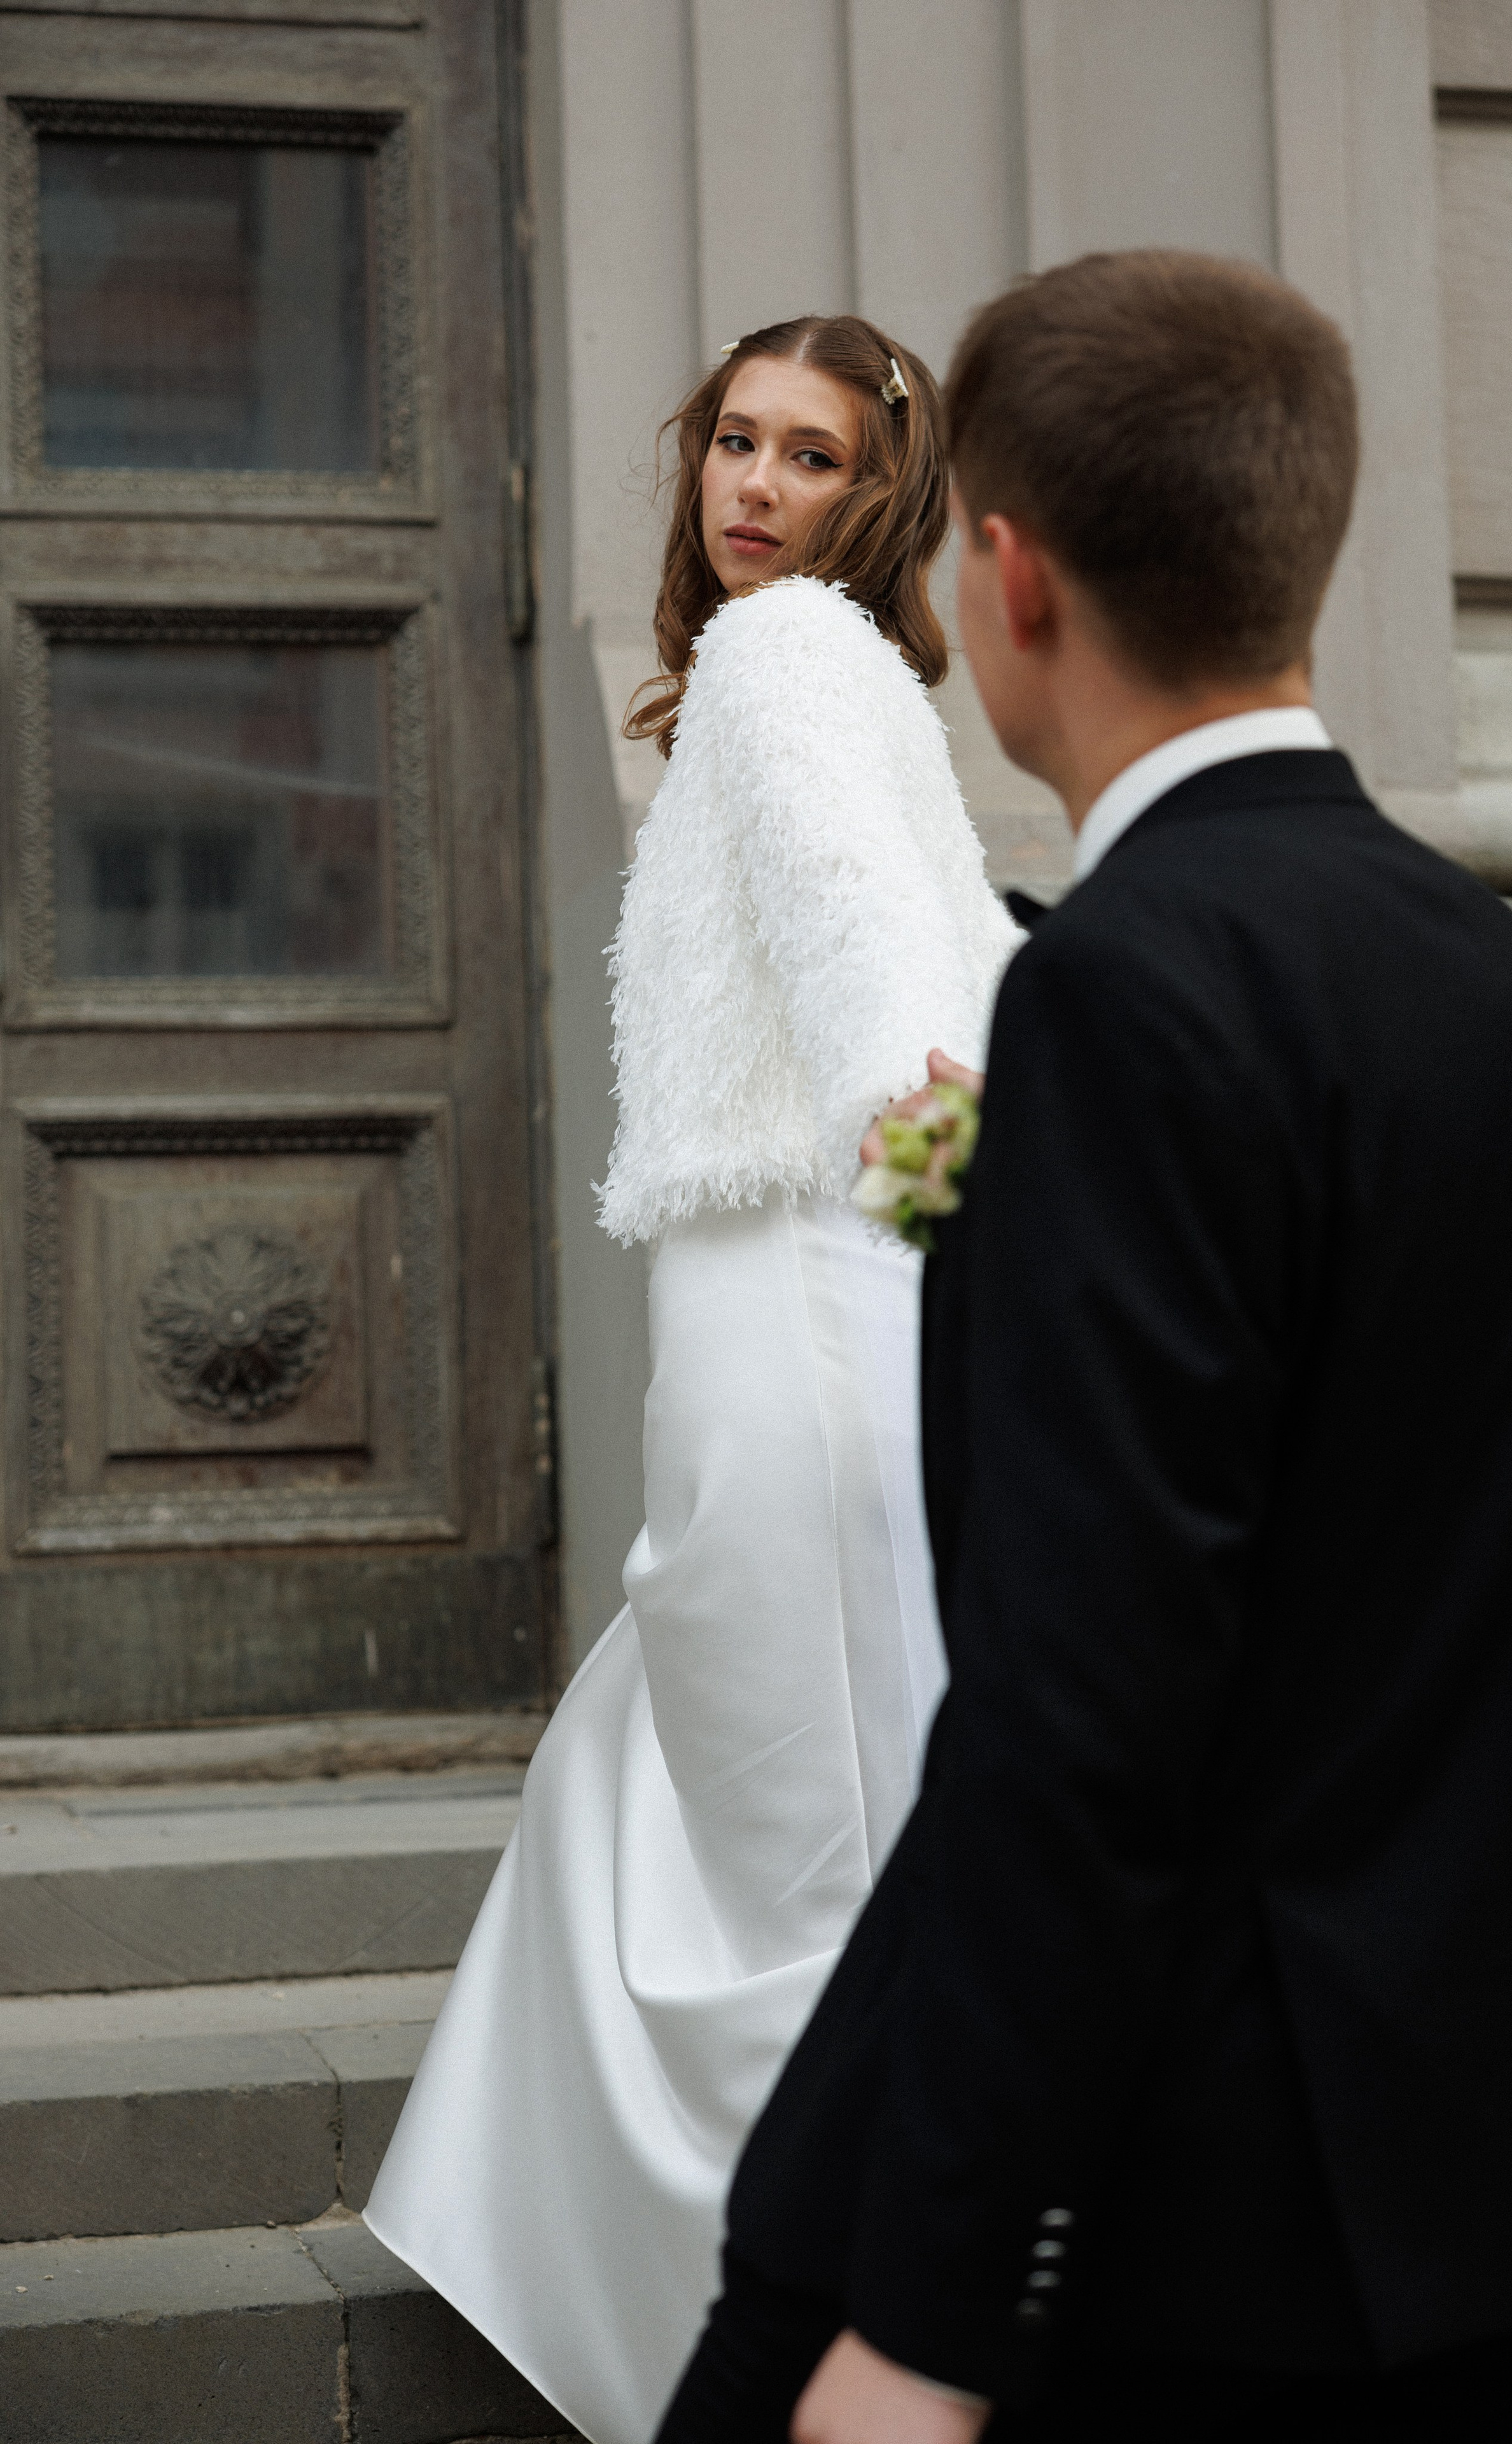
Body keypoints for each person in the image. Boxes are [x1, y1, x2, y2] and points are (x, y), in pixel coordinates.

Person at [655, 250, 1512, 2444]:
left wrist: (927, 2310)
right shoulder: (1487, 968)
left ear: (1004, 581)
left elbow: (1082, 1710)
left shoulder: (1119, 1001)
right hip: (1469, 2178)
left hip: (1177, 2210)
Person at [363, 313, 1021, 2444]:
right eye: (733, 440)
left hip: (818, 1288)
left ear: (881, 491)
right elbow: (982, 960)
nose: (751, 483)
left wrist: (948, 1184)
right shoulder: (856, 677)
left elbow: (883, 960)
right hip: (805, 1281)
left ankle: (814, 2320)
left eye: (807, 455)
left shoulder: (788, 664)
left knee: (787, 1818)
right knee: (710, 1772)